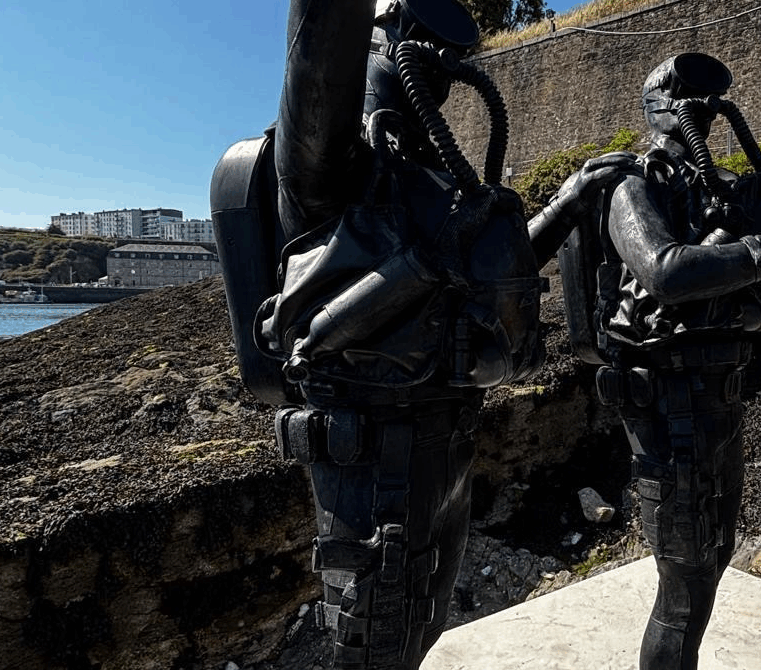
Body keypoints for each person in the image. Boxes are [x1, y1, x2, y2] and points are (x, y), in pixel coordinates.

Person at [211, 1, 549, 667]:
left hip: (444, 452)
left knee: (420, 637)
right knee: (374, 652)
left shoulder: (431, 173)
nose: (444, 55)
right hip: (374, 470)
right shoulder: (330, 167)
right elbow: (317, 62)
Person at [541, 52, 761, 669]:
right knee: (683, 582)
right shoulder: (633, 185)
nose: (704, 110)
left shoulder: (722, 193)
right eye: (687, 95)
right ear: (657, 105)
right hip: (667, 407)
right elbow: (666, 272)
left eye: (710, 100)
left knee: (711, 561)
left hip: (720, 402)